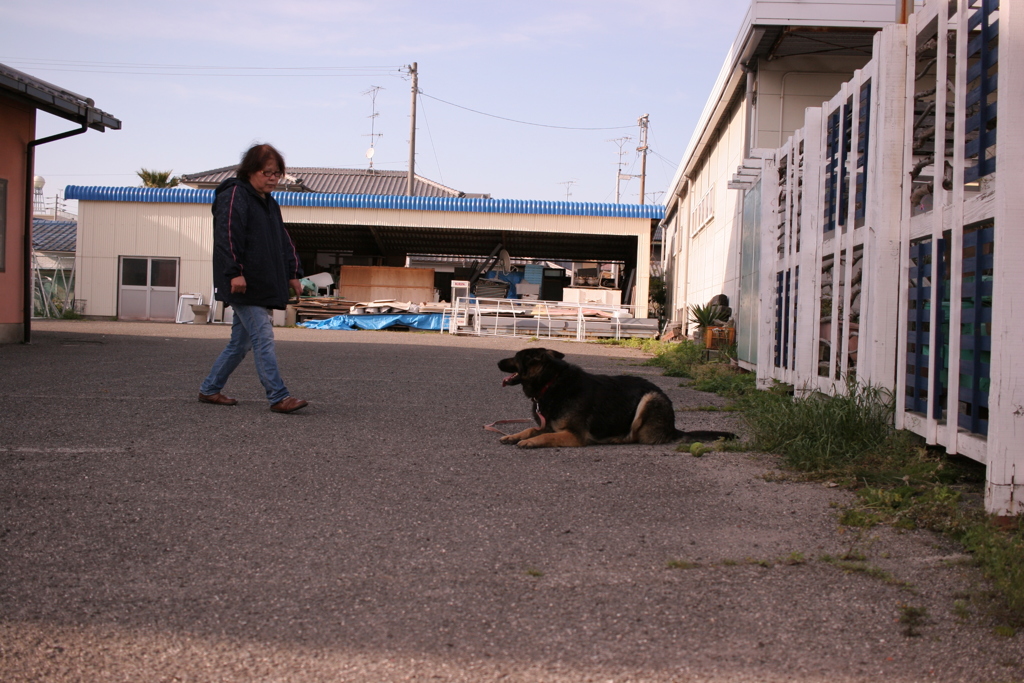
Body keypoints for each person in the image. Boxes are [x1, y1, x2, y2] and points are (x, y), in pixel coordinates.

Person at [198, 143, 308, 413]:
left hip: (259, 282)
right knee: (263, 335)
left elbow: (283, 240)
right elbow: (227, 235)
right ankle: (278, 396)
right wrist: (234, 272)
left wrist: (294, 273)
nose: (273, 178)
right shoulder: (235, 194)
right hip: (241, 282)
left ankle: (210, 389)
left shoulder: (268, 203)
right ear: (250, 170)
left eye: (277, 173)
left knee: (241, 342)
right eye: (267, 172)